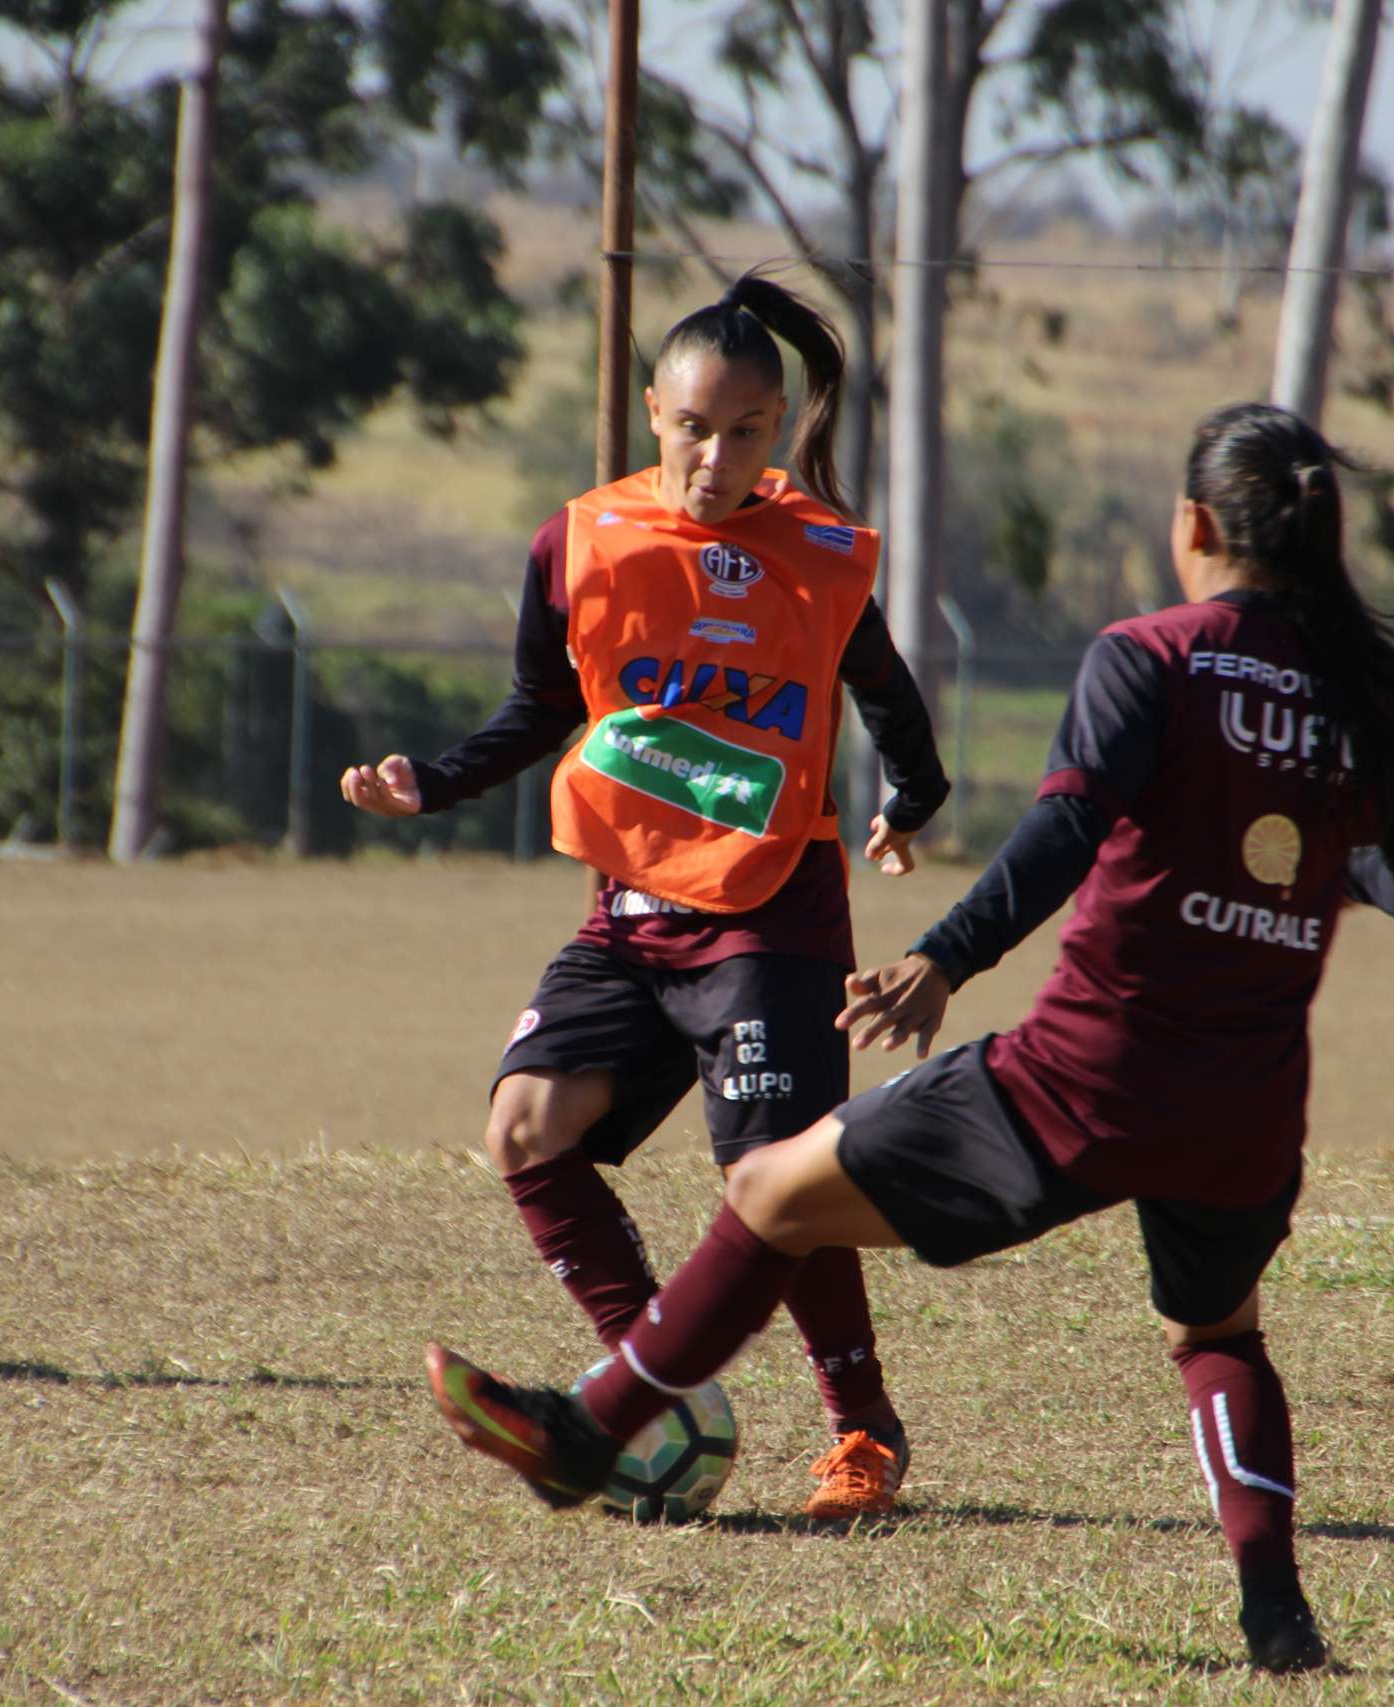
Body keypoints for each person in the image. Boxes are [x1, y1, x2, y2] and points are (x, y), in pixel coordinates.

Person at [423, 402, 1394, 1673]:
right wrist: (1285, 871)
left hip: (1081, 1079)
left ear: (1193, 527)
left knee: (767, 1191)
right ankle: (1277, 1618)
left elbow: (1061, 836)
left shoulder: (1154, 654)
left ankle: (593, 1432)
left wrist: (941, 959)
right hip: (1248, 1109)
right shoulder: (1357, 696)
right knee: (1217, 1334)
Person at [343, 271, 950, 1521]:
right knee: (525, 1125)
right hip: (627, 908)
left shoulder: (824, 557)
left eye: (743, 432)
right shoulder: (580, 540)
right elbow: (543, 705)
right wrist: (434, 782)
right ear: (650, 414)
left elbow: (885, 693)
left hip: (771, 908)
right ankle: (645, 1386)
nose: (713, 456)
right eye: (691, 427)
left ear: (776, 429)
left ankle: (862, 1435)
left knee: (774, 1181)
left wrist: (912, 793)